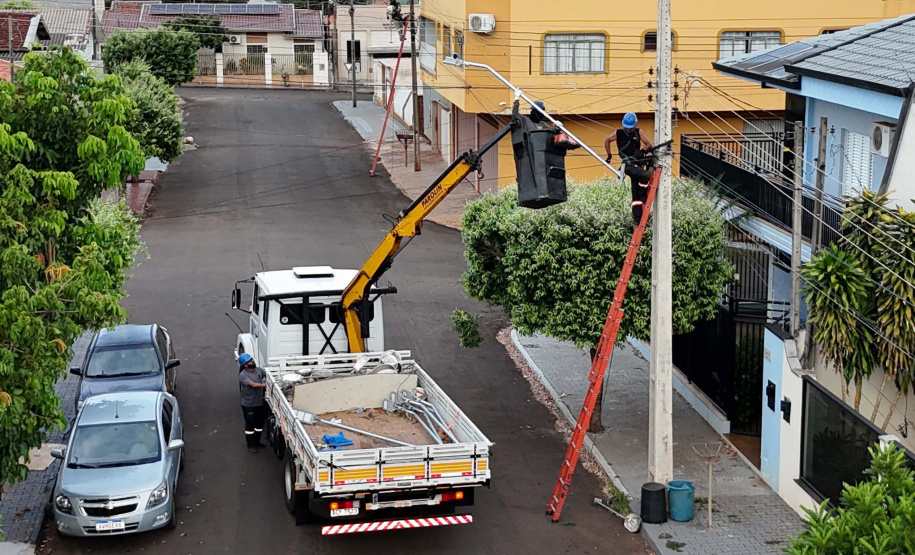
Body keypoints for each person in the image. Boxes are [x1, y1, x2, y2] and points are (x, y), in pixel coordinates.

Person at [605, 112, 654, 224]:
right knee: (645, 176)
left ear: (635, 125)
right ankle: (643, 194)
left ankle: (638, 218)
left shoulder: (639, 132)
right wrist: (609, 155)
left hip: (638, 163)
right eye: (626, 128)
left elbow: (648, 144)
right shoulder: (618, 133)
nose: (628, 130)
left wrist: (642, 152)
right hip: (627, 165)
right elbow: (607, 140)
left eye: (630, 128)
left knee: (635, 193)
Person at [238, 353, 267, 453]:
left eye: (252, 359)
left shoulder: (258, 370)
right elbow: (253, 385)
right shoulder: (243, 375)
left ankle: (257, 442)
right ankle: (251, 445)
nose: (252, 361)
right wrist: (265, 385)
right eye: (250, 361)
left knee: (259, 424)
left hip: (259, 403)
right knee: (250, 425)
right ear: (245, 365)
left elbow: (267, 374)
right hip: (248, 404)